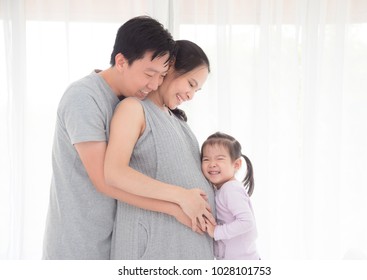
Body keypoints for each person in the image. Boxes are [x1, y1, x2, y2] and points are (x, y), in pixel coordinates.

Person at [42, 16, 206, 260]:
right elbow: (105, 180)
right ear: (121, 61)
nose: (154, 84)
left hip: (108, 243)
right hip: (76, 247)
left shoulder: (129, 101)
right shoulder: (84, 97)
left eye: (161, 75)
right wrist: (178, 204)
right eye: (149, 73)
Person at [104, 40, 215, 259]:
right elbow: (114, 172)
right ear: (170, 67)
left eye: (197, 91)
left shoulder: (179, 122)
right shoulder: (133, 109)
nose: (191, 95)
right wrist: (182, 197)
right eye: (191, 84)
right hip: (151, 249)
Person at [201, 132, 260, 260]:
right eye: (206, 159)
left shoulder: (231, 189)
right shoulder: (221, 189)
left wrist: (217, 231)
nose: (212, 164)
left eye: (219, 159)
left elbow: (247, 222)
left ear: (236, 165)